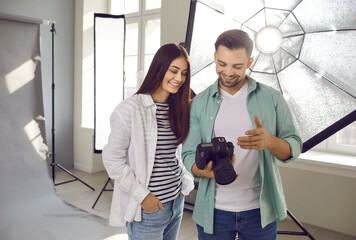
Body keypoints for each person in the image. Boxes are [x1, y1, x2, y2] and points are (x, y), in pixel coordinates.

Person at [182, 29, 302, 240]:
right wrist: (203, 171)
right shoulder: (198, 104)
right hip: (213, 212)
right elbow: (188, 154)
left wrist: (270, 141)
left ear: (250, 62)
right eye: (222, 64)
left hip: (260, 211)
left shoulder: (272, 98)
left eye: (237, 66)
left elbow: (293, 146)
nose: (228, 72)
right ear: (215, 59)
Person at [102, 43, 194, 240]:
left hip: (176, 202)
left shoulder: (177, 109)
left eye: (184, 73)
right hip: (149, 208)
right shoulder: (130, 109)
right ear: (159, 69)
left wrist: (185, 182)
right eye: (174, 71)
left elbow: (173, 155)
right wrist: (144, 197)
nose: (179, 78)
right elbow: (112, 161)